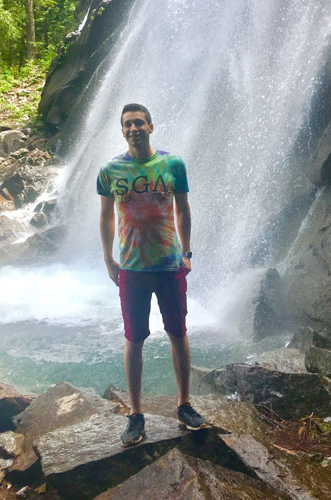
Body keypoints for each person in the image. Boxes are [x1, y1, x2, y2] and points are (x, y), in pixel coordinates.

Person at [97, 103, 209, 446]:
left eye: (139, 123)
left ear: (151, 126)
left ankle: (184, 404)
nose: (134, 128)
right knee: (135, 338)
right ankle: (134, 413)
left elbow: (183, 208)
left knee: (178, 332)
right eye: (128, 124)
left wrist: (187, 253)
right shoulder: (110, 170)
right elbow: (105, 218)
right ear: (122, 130)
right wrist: (108, 260)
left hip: (169, 265)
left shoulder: (172, 164)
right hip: (131, 268)